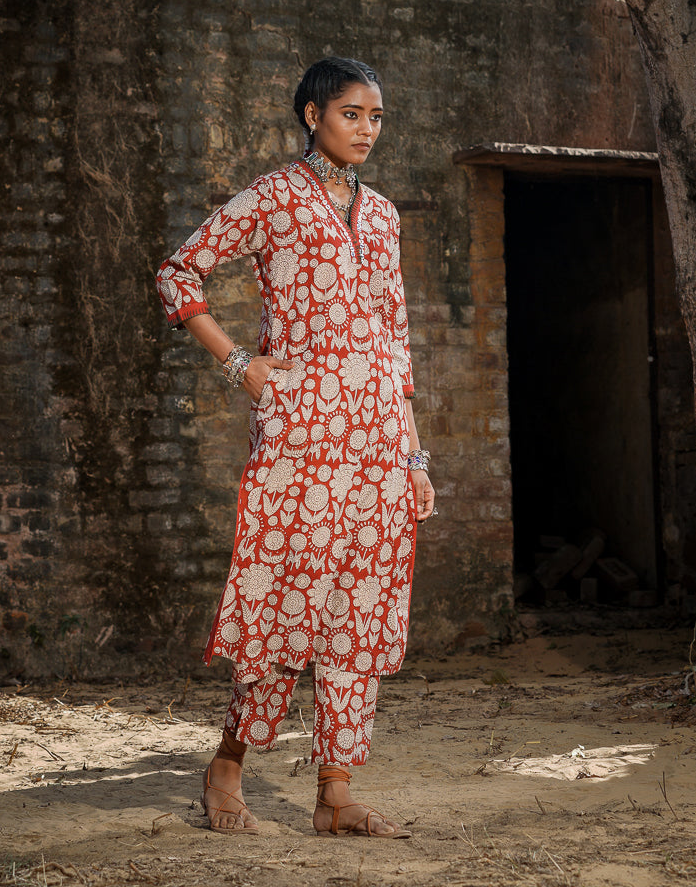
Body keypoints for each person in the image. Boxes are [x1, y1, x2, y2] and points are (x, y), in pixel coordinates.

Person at [156, 56, 435, 838]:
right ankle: (227, 767)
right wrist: (240, 365)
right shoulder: (275, 197)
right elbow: (179, 273)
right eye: (351, 114)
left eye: (375, 117)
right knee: (285, 604)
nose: (366, 130)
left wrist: (414, 457)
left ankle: (334, 794)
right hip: (300, 438)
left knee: (360, 608)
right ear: (313, 116)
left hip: (379, 443)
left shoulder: (383, 216)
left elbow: (395, 343)